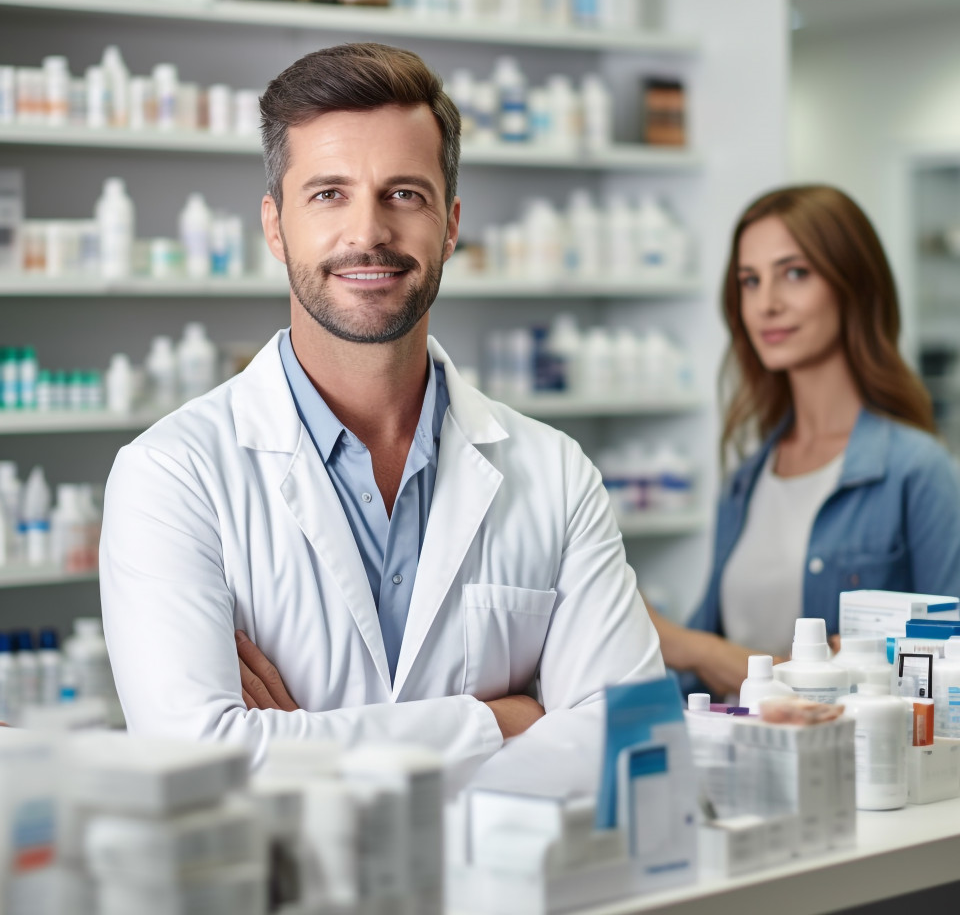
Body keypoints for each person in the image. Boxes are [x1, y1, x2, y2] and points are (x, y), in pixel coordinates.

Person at [99, 42, 663, 790]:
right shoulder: (172, 475)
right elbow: (198, 764)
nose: (367, 233)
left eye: (404, 194)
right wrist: (499, 720)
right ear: (275, 226)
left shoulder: (554, 473)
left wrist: (294, 743)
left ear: (451, 224)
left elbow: (630, 736)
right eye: (328, 193)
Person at [649, 184, 960, 698]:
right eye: (750, 281)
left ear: (852, 284)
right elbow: (694, 672)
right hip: (739, 766)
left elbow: (948, 667)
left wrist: (694, 648)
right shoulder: (746, 479)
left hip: (853, 770)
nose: (767, 303)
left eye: (795, 273)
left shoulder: (916, 470)